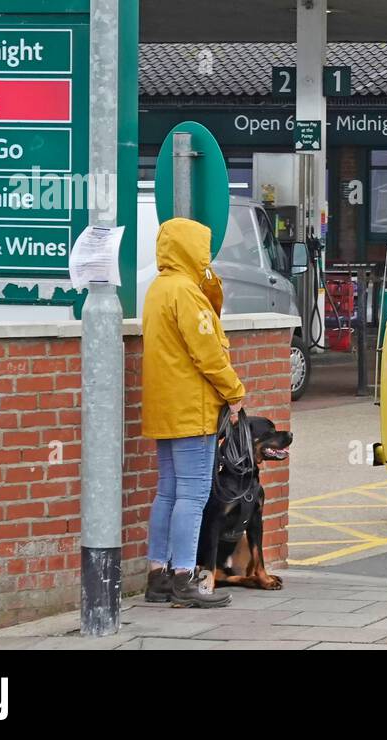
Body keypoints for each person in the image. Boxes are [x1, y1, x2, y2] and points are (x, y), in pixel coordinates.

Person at [141, 218, 247, 608]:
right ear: (191, 249)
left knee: (167, 491)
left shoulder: (159, 289)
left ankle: (158, 575)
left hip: (164, 405)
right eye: (203, 247)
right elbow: (208, 352)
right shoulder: (186, 292)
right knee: (194, 492)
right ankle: (185, 575)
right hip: (192, 406)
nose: (208, 255)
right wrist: (234, 392)